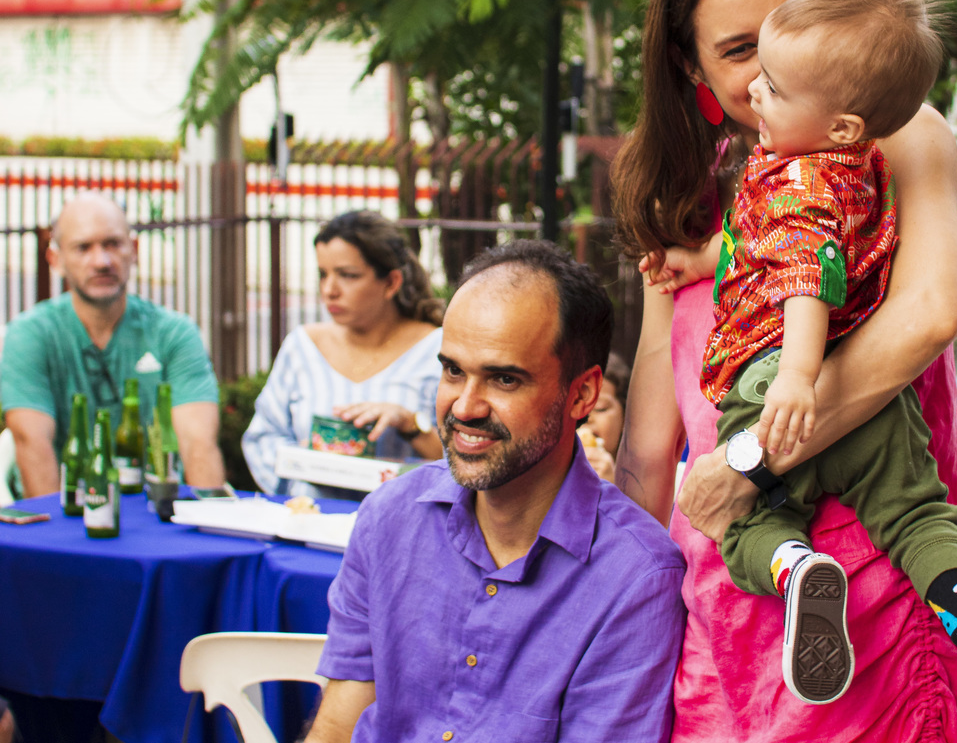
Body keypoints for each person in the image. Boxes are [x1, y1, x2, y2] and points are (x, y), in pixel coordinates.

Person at [611, 0, 957, 740]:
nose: (772, 61)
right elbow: (649, 446)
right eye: (739, 49)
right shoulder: (686, 195)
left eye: (789, 22)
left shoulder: (891, 135)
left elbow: (929, 313)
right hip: (721, 609)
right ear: (691, 64)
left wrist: (750, 458)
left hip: (872, 593)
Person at [649, 0, 957, 707]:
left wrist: (783, 401)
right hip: (878, 421)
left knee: (752, 528)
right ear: (691, 64)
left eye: (775, 76)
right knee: (919, 514)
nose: (760, 85)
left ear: (841, 119)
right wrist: (700, 260)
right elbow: (753, 248)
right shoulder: (854, 162)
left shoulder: (796, 174)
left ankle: (795, 567)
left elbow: (806, 277)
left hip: (774, 393)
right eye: (743, 54)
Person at [306, 240, 686, 742]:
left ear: (582, 395)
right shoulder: (389, 517)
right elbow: (337, 725)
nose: (465, 407)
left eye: (504, 379)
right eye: (453, 370)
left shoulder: (635, 576)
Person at [1, 192, 225, 497]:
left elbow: (198, 444)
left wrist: (209, 518)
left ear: (134, 250)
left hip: (158, 509)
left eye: (113, 244)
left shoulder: (174, 333)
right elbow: (32, 444)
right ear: (56, 260)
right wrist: (55, 527)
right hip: (64, 507)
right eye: (83, 247)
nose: (102, 261)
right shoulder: (29, 335)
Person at [242, 210, 444, 499]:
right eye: (323, 274)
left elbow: (465, 462)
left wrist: (410, 424)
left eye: (348, 275)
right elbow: (263, 437)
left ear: (391, 283)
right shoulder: (303, 345)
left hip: (400, 519)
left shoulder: (437, 350)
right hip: (310, 516)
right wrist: (304, 465)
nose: (329, 290)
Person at [580, 351, 630, 482]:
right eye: (575, 407)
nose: (586, 418)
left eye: (600, 408)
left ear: (625, 417)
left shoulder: (643, 478)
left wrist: (611, 485)